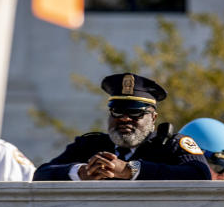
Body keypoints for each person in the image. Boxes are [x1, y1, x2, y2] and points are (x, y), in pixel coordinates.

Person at [33, 73, 212, 181]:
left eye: (135, 113)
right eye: (117, 111)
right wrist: (82, 172)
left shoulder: (170, 145)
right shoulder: (90, 146)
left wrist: (130, 170)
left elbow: (201, 174)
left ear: (153, 118)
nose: (125, 119)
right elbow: (41, 174)